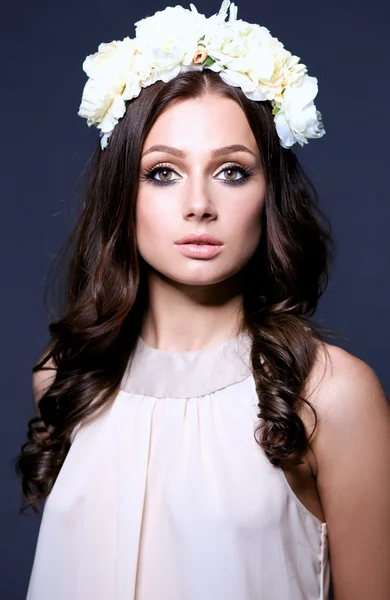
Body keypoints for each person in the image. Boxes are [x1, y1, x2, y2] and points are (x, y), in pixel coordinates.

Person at [15, 1, 390, 599]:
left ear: (270, 195)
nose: (198, 204)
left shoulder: (331, 394)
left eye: (233, 172)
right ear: (123, 192)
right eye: (162, 172)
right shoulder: (67, 378)